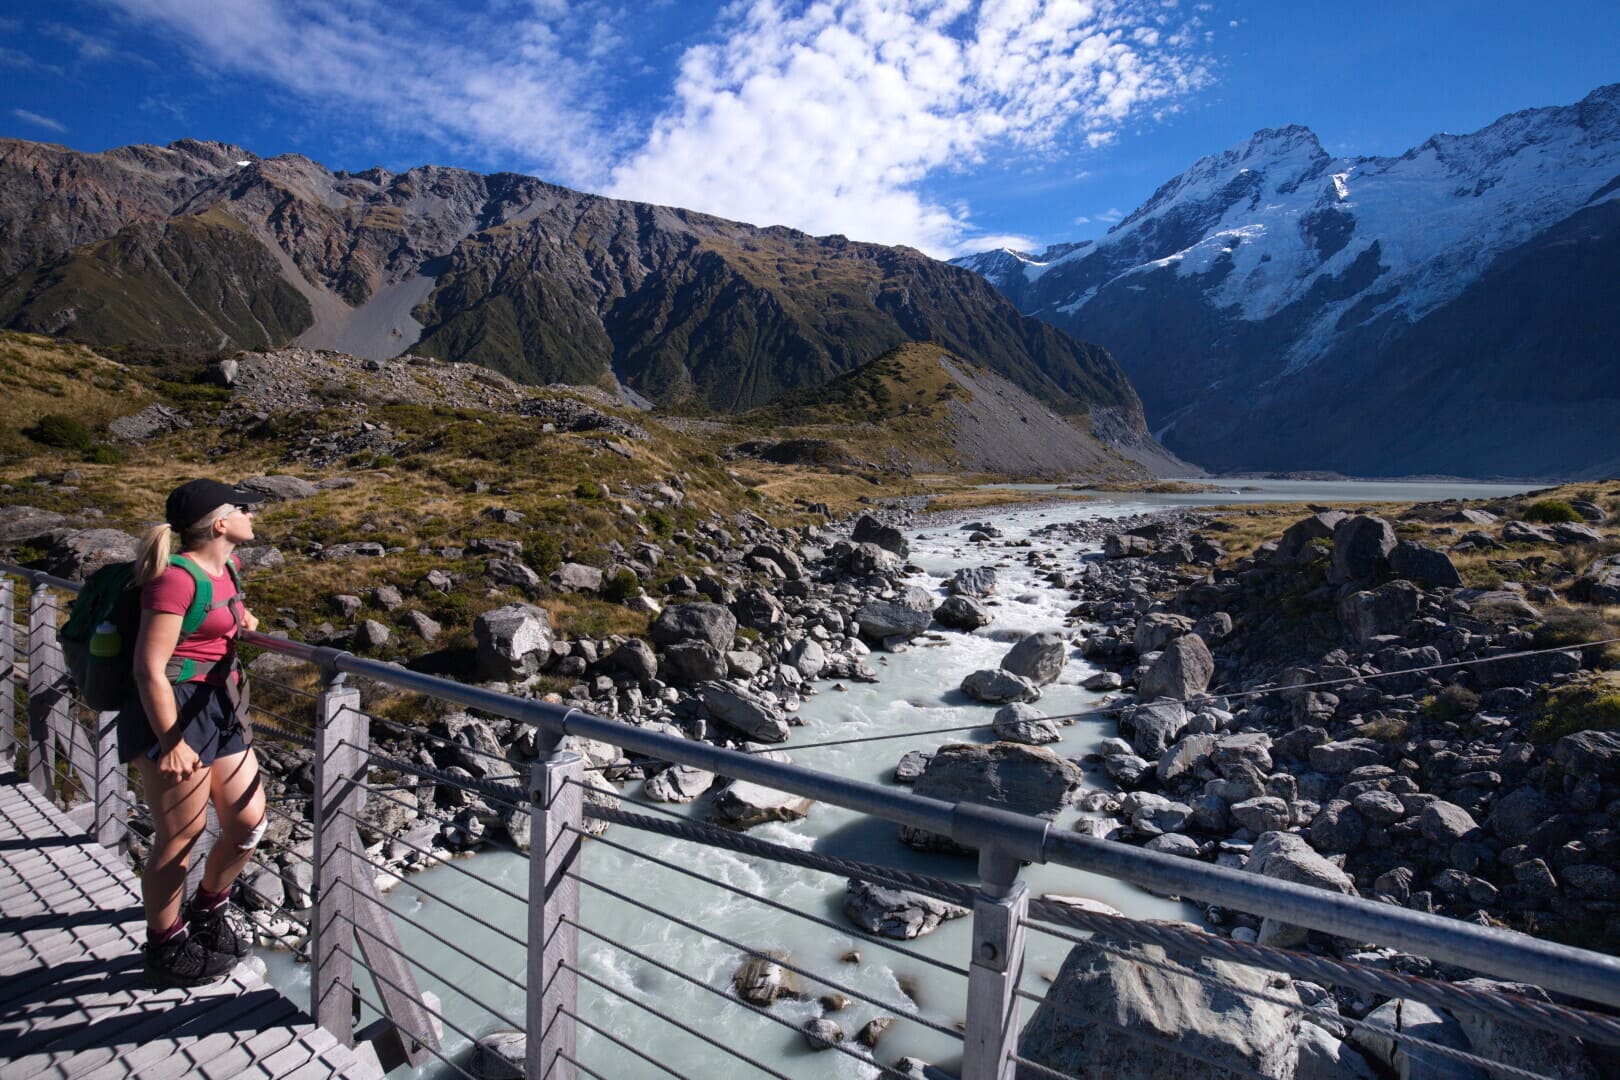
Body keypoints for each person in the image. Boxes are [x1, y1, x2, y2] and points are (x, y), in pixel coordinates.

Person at [118, 478, 269, 987]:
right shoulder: (175, 579)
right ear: (220, 522)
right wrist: (171, 743)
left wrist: (238, 617)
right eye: (244, 509)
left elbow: (216, 616)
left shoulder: (227, 566)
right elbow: (148, 669)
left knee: (248, 823)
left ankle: (207, 910)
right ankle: (165, 944)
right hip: (176, 711)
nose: (254, 515)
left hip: (220, 703)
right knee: (180, 836)